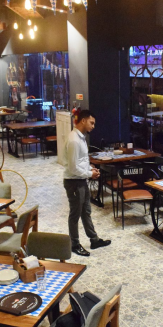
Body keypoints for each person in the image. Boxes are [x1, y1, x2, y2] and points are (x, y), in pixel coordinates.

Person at [63, 109, 111, 257]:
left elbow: (81, 161)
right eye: (92, 123)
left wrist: (90, 168)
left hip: (81, 180)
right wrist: (90, 174)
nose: (93, 126)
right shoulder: (74, 140)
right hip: (73, 182)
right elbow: (73, 168)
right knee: (75, 214)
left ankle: (94, 240)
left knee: (86, 212)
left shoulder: (81, 137)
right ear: (83, 120)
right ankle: (74, 244)